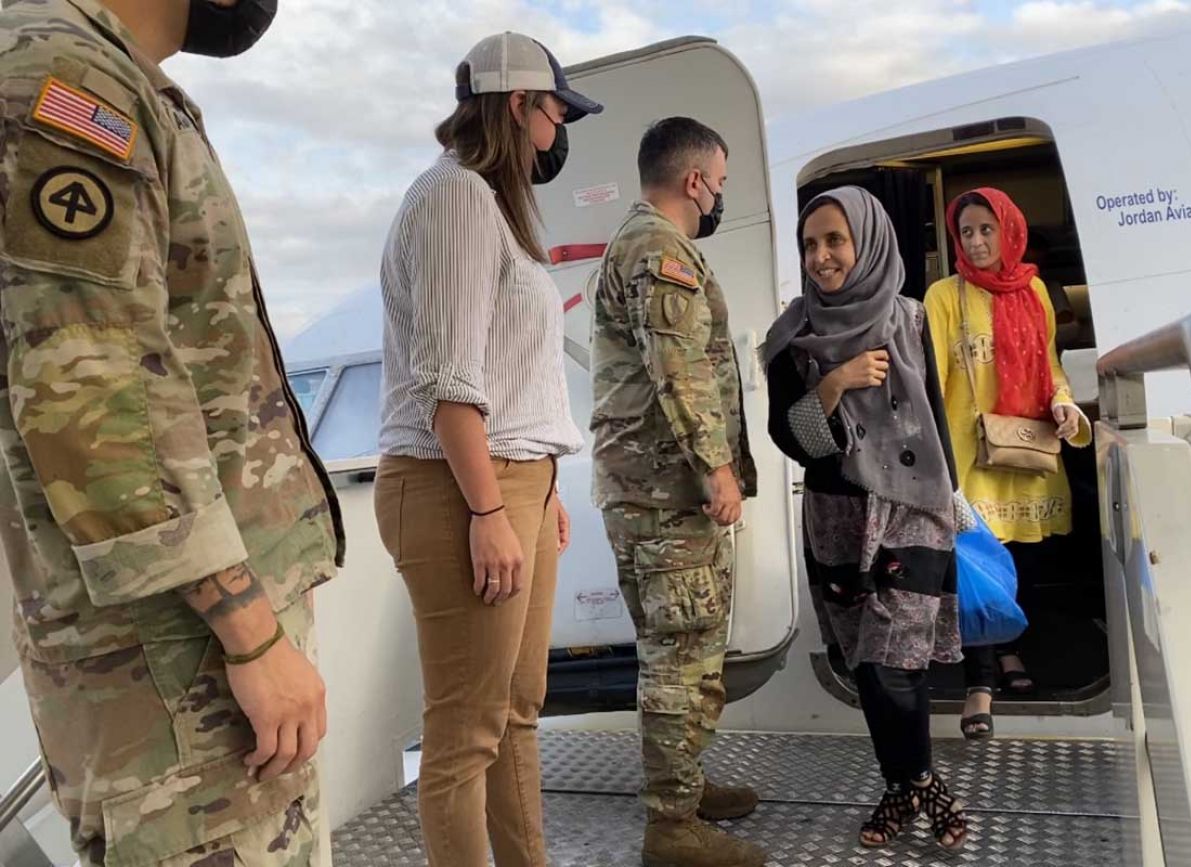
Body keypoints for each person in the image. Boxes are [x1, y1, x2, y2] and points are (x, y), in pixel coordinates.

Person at [0, 1, 343, 864]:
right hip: (178, 665)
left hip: (175, 655)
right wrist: (251, 632)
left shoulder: (104, 74)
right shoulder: (70, 78)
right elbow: (93, 394)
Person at [373, 31, 601, 867]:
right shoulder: (456, 198)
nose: (559, 131)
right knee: (466, 731)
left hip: (512, 482)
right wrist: (489, 507)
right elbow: (449, 381)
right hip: (460, 485)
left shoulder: (489, 206)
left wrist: (540, 493)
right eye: (556, 112)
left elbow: (509, 377)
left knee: (515, 712)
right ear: (519, 106)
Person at [765, 187, 969, 853]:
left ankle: (920, 784)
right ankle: (907, 784)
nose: (821, 256)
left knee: (896, 658)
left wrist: (956, 497)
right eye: (810, 244)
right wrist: (834, 382)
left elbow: (938, 412)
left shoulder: (911, 320)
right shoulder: (791, 336)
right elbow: (791, 440)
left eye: (834, 240)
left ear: (868, 241)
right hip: (838, 514)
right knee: (869, 664)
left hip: (914, 509)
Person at [590, 117, 763, 867]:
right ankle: (672, 826)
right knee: (678, 655)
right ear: (694, 181)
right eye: (719, 183)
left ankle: (684, 789)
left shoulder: (640, 242)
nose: (719, 195)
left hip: (650, 491)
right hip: (667, 494)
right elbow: (679, 370)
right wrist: (716, 466)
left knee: (685, 651)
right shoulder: (660, 250)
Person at [923, 187, 1092, 738]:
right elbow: (932, 381)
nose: (975, 242)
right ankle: (985, 682)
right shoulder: (944, 297)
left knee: (1026, 558)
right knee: (977, 562)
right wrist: (933, 462)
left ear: (1009, 230)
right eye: (966, 232)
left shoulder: (1036, 291)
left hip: (1028, 446)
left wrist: (1064, 403)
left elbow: (1050, 366)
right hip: (969, 454)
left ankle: (1013, 649)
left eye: (986, 230)